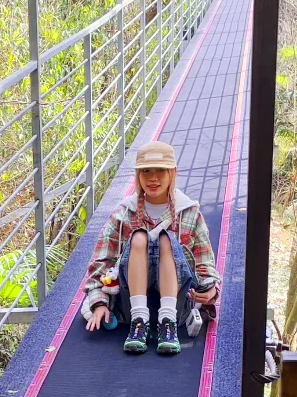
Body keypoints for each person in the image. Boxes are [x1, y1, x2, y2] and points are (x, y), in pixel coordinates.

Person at [82, 141, 219, 355]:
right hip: (129, 309)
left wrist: (210, 291)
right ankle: (139, 323)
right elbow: (101, 265)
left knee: (166, 240)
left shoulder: (190, 213)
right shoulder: (123, 214)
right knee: (139, 238)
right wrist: (99, 304)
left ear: (173, 173)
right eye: (146, 171)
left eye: (160, 171)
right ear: (137, 175)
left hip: (177, 310)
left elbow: (206, 266)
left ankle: (167, 324)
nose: (153, 178)